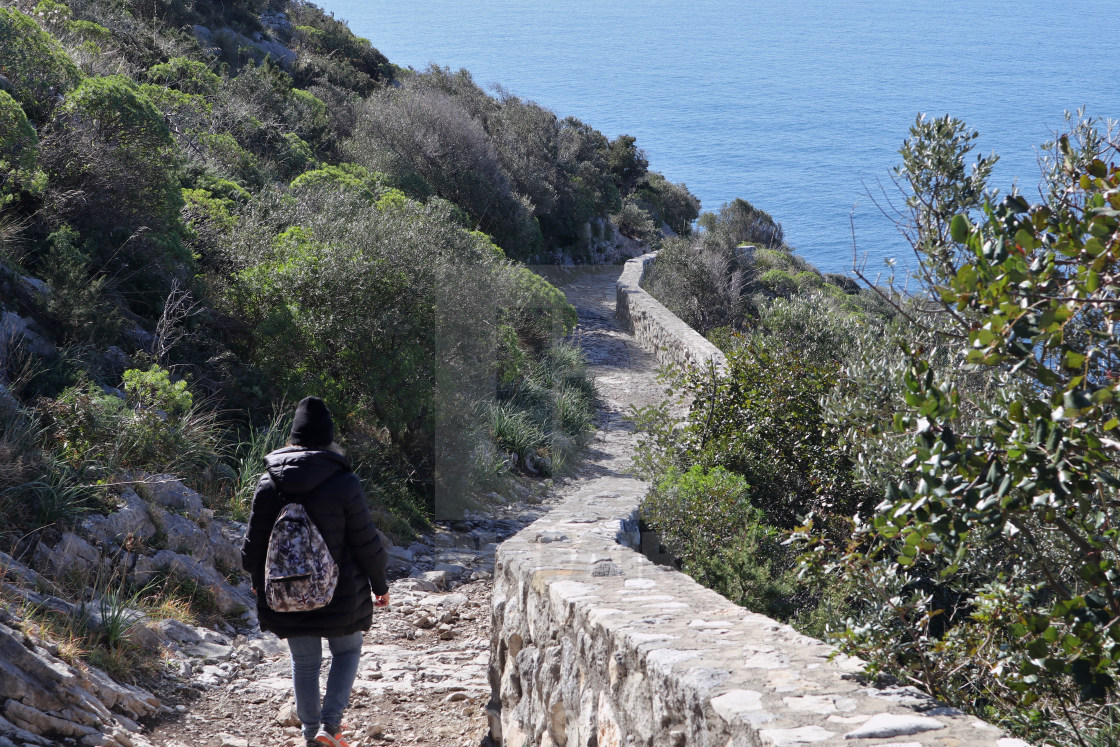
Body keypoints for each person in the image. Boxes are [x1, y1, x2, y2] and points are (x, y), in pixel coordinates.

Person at [241, 396, 390, 747]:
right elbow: (366, 541)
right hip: (339, 593)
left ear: (291, 439)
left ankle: (311, 735)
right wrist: (379, 584)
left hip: (285, 591)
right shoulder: (343, 482)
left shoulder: (268, 483)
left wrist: (258, 585)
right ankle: (330, 726)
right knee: (348, 651)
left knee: (305, 664)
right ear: (329, 440)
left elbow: (252, 548)